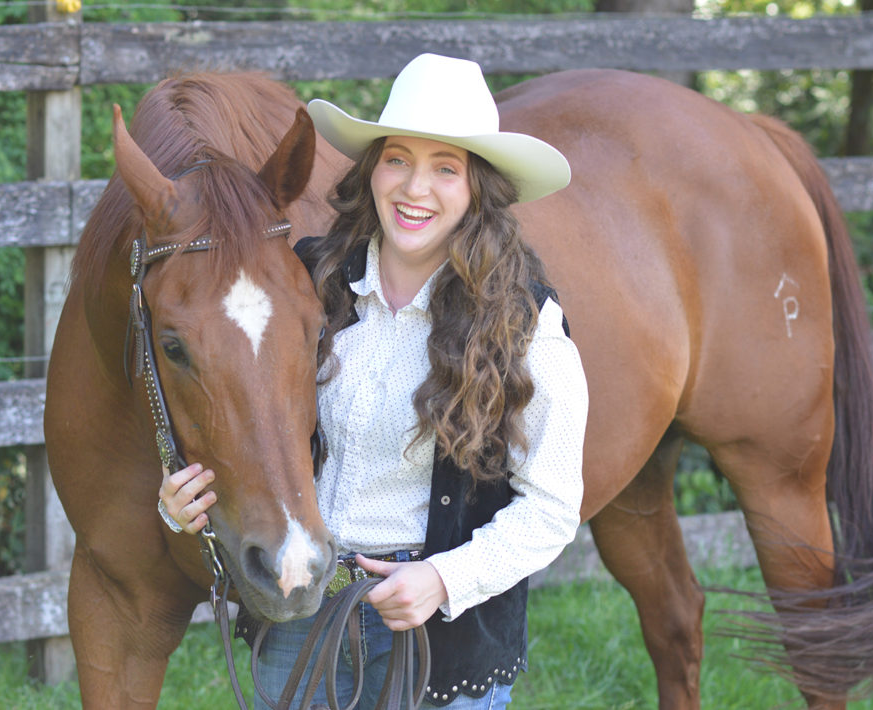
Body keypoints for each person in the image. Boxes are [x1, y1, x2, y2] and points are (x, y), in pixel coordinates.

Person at [159, 53, 588, 709]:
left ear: (479, 188)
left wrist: (444, 579)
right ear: (372, 170)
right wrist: (181, 500)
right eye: (398, 160)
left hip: (434, 633)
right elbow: (251, 420)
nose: (415, 188)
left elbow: (552, 508)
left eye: (445, 168)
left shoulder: (522, 323)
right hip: (304, 615)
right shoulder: (309, 284)